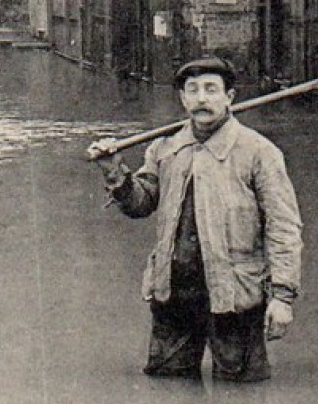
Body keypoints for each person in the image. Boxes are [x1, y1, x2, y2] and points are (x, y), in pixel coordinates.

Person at [89, 56, 303, 381]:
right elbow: (141, 204)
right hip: (173, 293)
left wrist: (282, 297)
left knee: (240, 397)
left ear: (229, 97)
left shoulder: (259, 152)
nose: (202, 99)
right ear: (183, 98)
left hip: (235, 295)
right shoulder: (165, 148)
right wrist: (115, 172)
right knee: (168, 389)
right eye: (193, 90)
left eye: (211, 89)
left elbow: (284, 228)